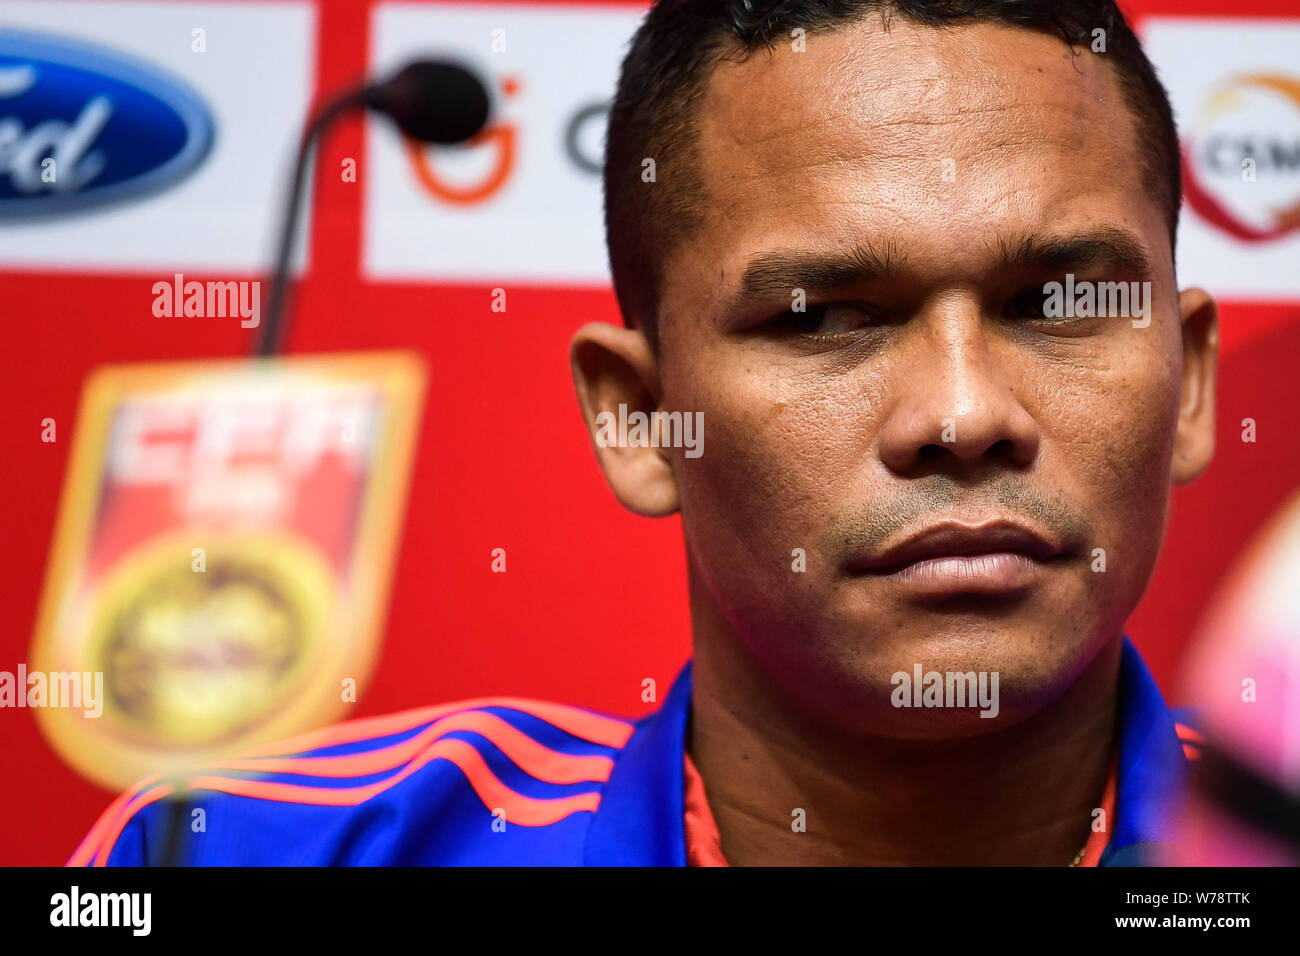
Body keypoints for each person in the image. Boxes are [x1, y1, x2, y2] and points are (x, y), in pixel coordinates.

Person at [73, 0, 1216, 867]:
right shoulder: (233, 849)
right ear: (637, 418)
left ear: (1191, 382)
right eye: (821, 320)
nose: (965, 415)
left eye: (1060, 305)